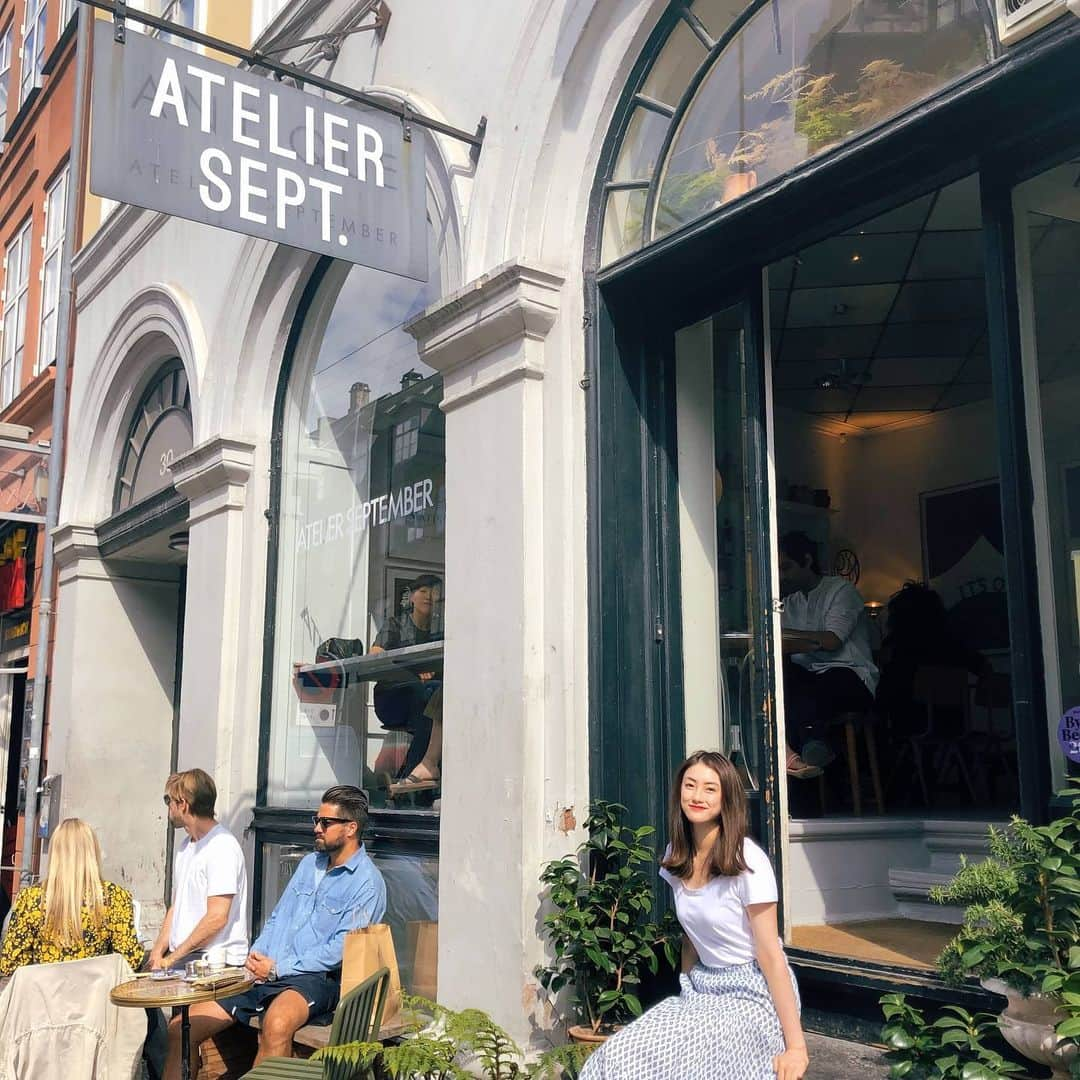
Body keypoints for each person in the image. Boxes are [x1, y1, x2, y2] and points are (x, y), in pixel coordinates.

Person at [580, 751, 808, 1080]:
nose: (697, 796)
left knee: (689, 1059)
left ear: (727, 797)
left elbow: (771, 956)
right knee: (620, 1053)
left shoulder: (748, 861)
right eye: (690, 785)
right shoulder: (677, 854)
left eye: (710, 789)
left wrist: (796, 1048)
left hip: (752, 992)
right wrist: (684, 991)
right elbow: (690, 937)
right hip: (702, 986)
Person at [163, 785, 386, 1079]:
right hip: (267, 971)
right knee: (181, 1028)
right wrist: (257, 956)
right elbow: (278, 917)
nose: (316, 828)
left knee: (277, 1023)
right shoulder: (310, 864)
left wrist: (278, 968)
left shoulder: (367, 883)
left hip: (317, 979)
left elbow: (340, 950)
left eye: (325, 822)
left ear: (351, 828)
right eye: (315, 820)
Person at [778, 532, 878, 780]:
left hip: (851, 679)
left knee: (827, 680)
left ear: (808, 560)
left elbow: (832, 640)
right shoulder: (790, 602)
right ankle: (809, 749)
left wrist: (780, 634)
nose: (781, 576)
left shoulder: (841, 591)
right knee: (785, 679)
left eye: (786, 567)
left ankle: (811, 746)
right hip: (810, 681)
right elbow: (781, 646)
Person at [0, 818, 143, 976]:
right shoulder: (114, 897)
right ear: (92, 852)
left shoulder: (31, 899)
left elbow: (10, 964)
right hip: (94, 996)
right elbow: (130, 961)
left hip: (45, 997)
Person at [149, 769, 248, 970]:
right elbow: (177, 908)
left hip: (214, 961)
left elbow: (217, 917)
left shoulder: (221, 846)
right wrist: (157, 952)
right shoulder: (186, 846)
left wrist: (171, 959)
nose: (168, 807)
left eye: (169, 800)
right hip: (186, 957)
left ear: (183, 804)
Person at [371, 574, 444, 790]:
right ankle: (415, 770)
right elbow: (375, 654)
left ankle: (415, 775)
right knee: (426, 695)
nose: (429, 597)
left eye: (435, 593)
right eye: (423, 591)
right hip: (392, 699)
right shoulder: (395, 625)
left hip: (426, 697)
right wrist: (413, 675)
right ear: (411, 597)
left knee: (434, 694)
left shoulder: (440, 630)